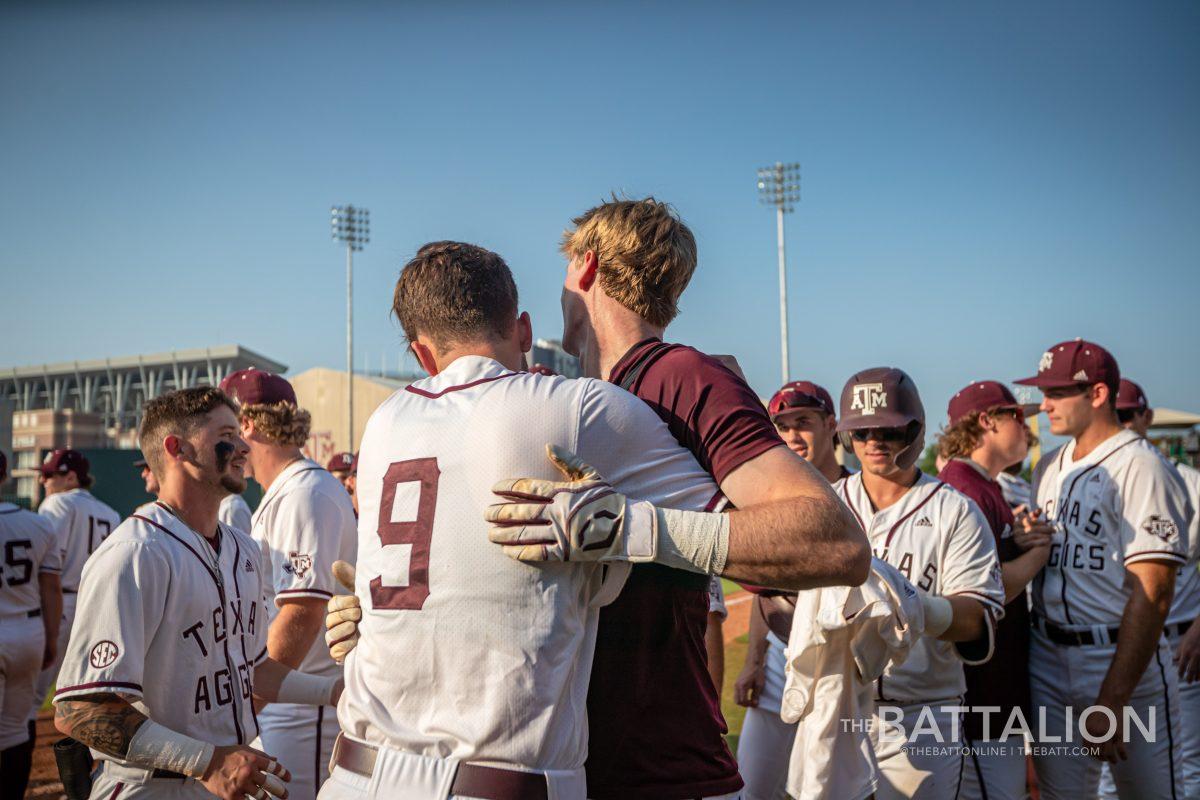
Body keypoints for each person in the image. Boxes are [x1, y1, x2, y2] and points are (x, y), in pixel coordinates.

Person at [320, 240, 867, 800]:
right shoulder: (573, 407)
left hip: (351, 774)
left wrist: (389, 622)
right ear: (525, 330)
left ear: (422, 356)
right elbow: (829, 544)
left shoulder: (384, 422)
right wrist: (635, 525)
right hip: (495, 781)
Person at [51, 387, 342, 800]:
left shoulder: (243, 547)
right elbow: (79, 711)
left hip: (223, 778)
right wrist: (206, 760)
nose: (243, 445)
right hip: (150, 786)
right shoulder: (135, 553)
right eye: (227, 433)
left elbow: (254, 668)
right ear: (178, 449)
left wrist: (335, 692)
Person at [1016, 340, 1191, 799]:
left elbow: (1153, 593)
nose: (1045, 404)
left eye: (1056, 392)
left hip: (1116, 657)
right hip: (1048, 655)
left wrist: (1113, 700)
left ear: (1097, 395)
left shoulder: (1142, 466)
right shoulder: (1050, 467)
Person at [833, 367, 1005, 800]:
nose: (874, 441)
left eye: (888, 430)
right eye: (861, 430)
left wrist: (914, 608)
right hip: (839, 708)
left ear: (915, 431)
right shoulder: (826, 504)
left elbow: (976, 620)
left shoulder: (955, 511)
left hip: (924, 714)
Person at [219, 369, 357, 800]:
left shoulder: (305, 493)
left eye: (225, 422)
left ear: (247, 424)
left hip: (304, 710)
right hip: (284, 701)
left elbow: (301, 614)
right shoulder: (285, 492)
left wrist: (248, 708)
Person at [936, 380, 1052, 800]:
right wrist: (1039, 553)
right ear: (986, 421)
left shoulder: (984, 485)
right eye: (1017, 417)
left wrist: (1018, 541)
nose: (1028, 429)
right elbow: (985, 594)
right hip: (979, 693)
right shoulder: (965, 488)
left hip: (994, 688)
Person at [734, 379, 849, 800]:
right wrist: (753, 660)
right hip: (782, 653)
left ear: (831, 424)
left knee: (829, 789)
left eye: (803, 422)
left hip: (841, 661)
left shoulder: (856, 494)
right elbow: (766, 590)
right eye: (782, 426)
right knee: (753, 787)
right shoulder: (775, 498)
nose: (791, 436)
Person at [1097, 378, 1200, 800]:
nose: (1121, 425)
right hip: (1111, 650)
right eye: (1114, 416)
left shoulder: (1189, 480)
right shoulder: (1092, 481)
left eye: (1127, 416)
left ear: (1146, 418)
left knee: (1186, 773)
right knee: (1104, 781)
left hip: (1181, 648)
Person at [30, 449, 120, 721]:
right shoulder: (111, 513)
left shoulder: (57, 504)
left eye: (49, 475)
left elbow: (47, 561)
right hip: (94, 609)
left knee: (30, 698)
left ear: (70, 477)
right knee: (80, 697)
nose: (43, 481)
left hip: (60, 603)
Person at [0, 451, 62, 800]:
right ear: (6, 476)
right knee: (14, 730)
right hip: (27, 632)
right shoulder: (38, 524)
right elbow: (50, 588)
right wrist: (50, 638)